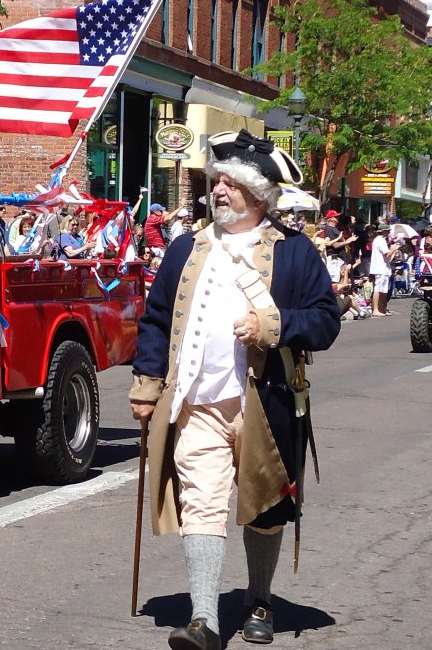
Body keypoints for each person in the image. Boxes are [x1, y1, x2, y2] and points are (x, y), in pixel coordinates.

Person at [129, 129, 340, 650]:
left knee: (264, 507)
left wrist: (274, 326)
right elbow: (156, 321)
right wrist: (147, 383)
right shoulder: (185, 249)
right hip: (196, 403)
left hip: (264, 405)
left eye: (230, 183)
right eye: (215, 181)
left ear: (259, 193)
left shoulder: (294, 254)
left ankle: (259, 598)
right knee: (200, 504)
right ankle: (204, 619)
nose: (217, 190)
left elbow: (325, 321)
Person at [368, 223, 394, 316]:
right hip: (380, 268)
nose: (388, 232)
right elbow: (387, 254)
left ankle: (382, 308)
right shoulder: (380, 240)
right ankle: (375, 309)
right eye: (387, 231)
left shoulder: (379, 240)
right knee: (378, 288)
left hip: (383, 267)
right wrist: (394, 249)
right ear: (383, 231)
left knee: (384, 289)